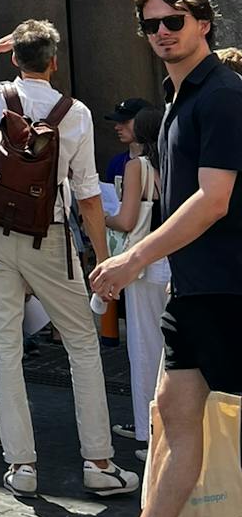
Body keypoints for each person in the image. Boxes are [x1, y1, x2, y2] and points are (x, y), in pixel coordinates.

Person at [61, 0, 242, 517]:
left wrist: (133, 257)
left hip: (227, 281)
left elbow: (213, 199)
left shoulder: (221, 96)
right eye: (152, 25)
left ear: (203, 23)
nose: (163, 33)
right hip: (198, 282)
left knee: (187, 409)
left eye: (174, 21)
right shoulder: (176, 102)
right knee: (174, 405)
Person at [0, 22, 138, 499]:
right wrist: (102, 260)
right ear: (53, 62)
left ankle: (22, 465)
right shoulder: (77, 113)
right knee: (82, 347)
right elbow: (88, 195)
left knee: (5, 348)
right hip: (48, 236)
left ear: (14, 59)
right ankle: (98, 460)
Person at [103, 105, 168, 453]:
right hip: (178, 261)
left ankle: (149, 434)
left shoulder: (136, 166)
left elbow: (128, 221)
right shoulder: (177, 162)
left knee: (144, 349)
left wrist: (102, 217)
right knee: (175, 352)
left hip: (146, 265)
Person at [102, 98, 153, 189]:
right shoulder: (116, 163)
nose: (117, 127)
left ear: (144, 120)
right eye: (118, 122)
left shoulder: (160, 162)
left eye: (124, 121)